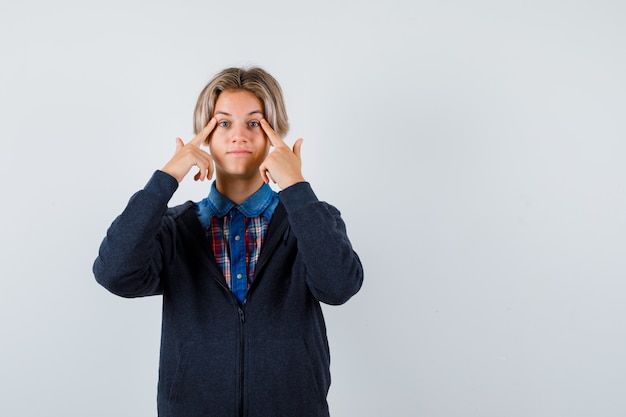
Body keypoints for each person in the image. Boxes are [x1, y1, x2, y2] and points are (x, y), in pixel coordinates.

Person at [93, 66, 364, 417]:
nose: (239, 136)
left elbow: (339, 286)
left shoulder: (311, 218)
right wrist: (166, 177)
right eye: (223, 123)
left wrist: (297, 188)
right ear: (204, 135)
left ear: (274, 135)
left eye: (254, 123)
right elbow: (114, 273)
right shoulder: (175, 228)